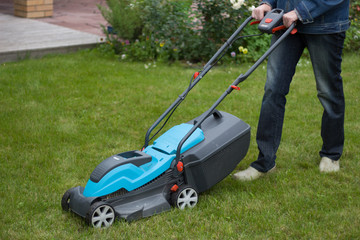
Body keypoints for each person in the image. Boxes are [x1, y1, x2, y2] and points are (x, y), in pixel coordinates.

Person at [234, 0, 350, 181]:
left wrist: (301, 11)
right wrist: (268, 3)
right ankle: (265, 163)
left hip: (324, 26)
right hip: (285, 23)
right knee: (273, 90)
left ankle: (331, 154)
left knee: (328, 92)